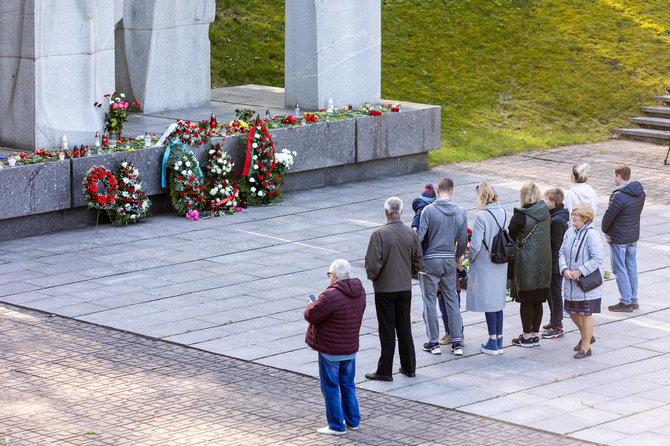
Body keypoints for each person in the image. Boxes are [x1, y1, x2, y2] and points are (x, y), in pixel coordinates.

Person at [304, 259, 367, 435]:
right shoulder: (360, 291)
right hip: (350, 348)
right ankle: (353, 421)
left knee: (331, 387)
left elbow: (311, 315)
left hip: (331, 350)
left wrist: (311, 304)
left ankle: (336, 426)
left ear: (334, 275)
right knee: (348, 385)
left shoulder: (330, 295)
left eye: (329, 275)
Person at [365, 197, 423, 381]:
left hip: (384, 288)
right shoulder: (411, 234)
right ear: (402, 212)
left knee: (387, 329)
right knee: (404, 327)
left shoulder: (379, 234)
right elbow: (418, 262)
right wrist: (408, 272)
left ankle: (384, 371)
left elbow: (373, 264)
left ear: (386, 212)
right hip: (404, 287)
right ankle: (409, 367)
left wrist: (375, 278)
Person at [417, 177, 468, 356]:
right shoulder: (461, 212)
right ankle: (457, 342)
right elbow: (462, 240)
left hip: (430, 260)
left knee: (429, 301)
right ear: (452, 190)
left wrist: (417, 259)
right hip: (448, 260)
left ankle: (433, 342)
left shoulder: (428, 211)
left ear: (438, 190)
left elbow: (420, 237)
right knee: (452, 300)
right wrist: (457, 257)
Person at [465, 182, 508, 355]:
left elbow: (475, 245)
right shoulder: (503, 211)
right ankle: (499, 340)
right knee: (498, 302)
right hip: (501, 261)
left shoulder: (482, 216)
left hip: (485, 262)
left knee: (489, 302)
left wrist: (469, 258)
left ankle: (492, 341)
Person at [508, 182, 552, 347]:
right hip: (543, 263)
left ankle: (526, 336)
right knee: (538, 299)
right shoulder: (545, 212)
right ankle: (534, 334)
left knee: (526, 300)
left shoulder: (520, 216)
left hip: (526, 264)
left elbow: (510, 235)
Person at [559, 202, 604, 358]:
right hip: (571, 283)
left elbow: (598, 258)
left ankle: (586, 347)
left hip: (586, 284)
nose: (573, 218)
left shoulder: (592, 234)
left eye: (576, 215)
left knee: (585, 314)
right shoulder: (569, 232)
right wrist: (564, 269)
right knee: (572, 312)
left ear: (584, 218)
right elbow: (561, 252)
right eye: (572, 214)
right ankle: (587, 335)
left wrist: (580, 271)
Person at [601, 164, 646, 312]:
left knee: (620, 269)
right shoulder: (639, 193)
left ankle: (625, 301)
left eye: (614, 176)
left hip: (619, 237)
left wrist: (605, 230)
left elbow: (608, 218)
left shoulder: (619, 196)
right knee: (631, 267)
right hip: (633, 236)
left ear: (619, 177)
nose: (614, 179)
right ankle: (633, 299)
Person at [541, 188, 570, 339]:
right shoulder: (556, 215)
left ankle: (558, 325)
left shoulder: (557, 221)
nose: (543, 201)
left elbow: (556, 245)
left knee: (555, 294)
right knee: (550, 293)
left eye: (545, 199)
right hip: (552, 261)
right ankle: (554, 320)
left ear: (552, 203)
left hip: (555, 263)